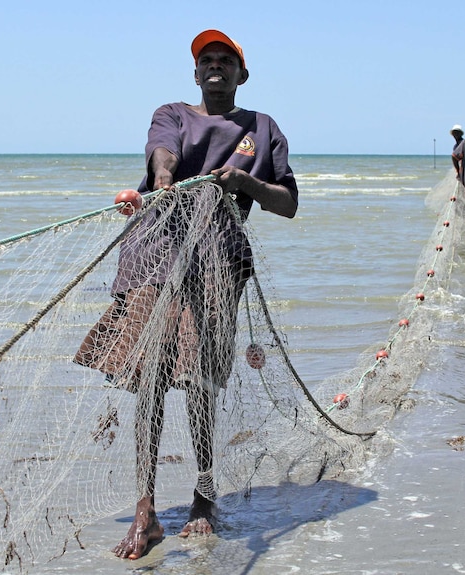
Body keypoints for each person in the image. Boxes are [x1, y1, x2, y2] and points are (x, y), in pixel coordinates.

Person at [104, 29, 298, 561]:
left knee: (199, 381)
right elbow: (160, 155)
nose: (215, 66)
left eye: (225, 60)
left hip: (219, 261)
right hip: (153, 251)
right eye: (206, 60)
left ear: (241, 74)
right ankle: (145, 510)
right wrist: (164, 178)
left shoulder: (262, 128)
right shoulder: (172, 112)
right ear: (195, 74)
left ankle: (203, 498)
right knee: (149, 379)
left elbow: (287, 202)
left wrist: (246, 183)